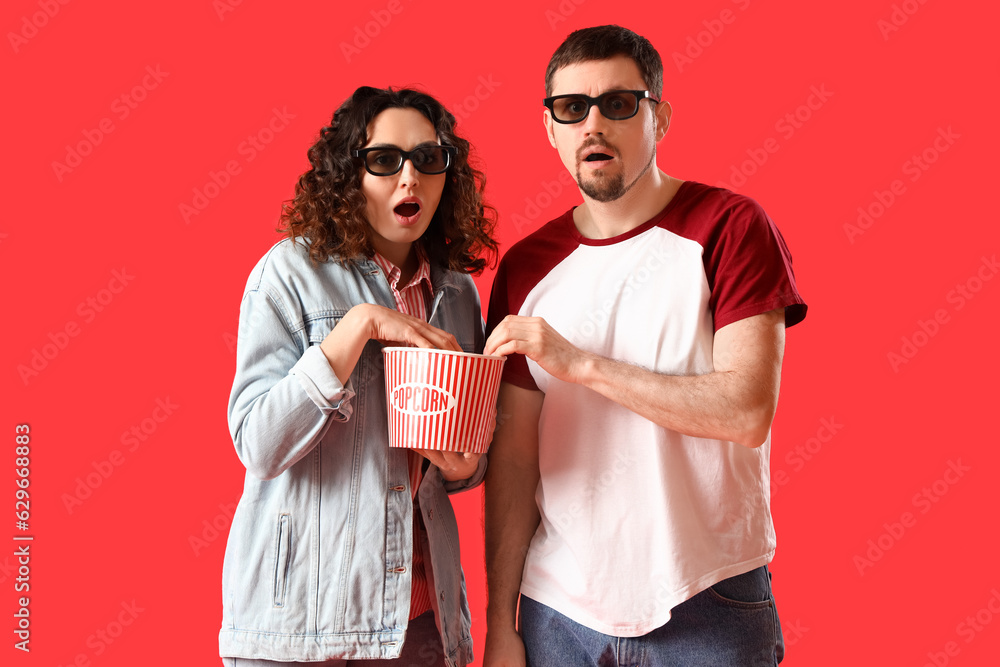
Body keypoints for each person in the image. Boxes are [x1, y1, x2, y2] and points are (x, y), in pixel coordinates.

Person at [482, 25, 807, 667]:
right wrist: (500, 621)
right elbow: (514, 460)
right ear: (550, 128)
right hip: (558, 611)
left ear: (658, 114)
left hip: (708, 600)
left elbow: (744, 411)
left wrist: (579, 364)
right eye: (572, 108)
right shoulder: (525, 267)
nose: (593, 124)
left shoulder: (731, 227)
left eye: (619, 104)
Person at [220, 86, 498, 667]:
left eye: (427, 158)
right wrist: (358, 327)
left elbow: (456, 471)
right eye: (384, 160)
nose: (409, 178)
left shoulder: (456, 293)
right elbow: (260, 445)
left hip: (420, 625)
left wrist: (464, 462)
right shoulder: (289, 274)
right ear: (350, 175)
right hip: (303, 627)